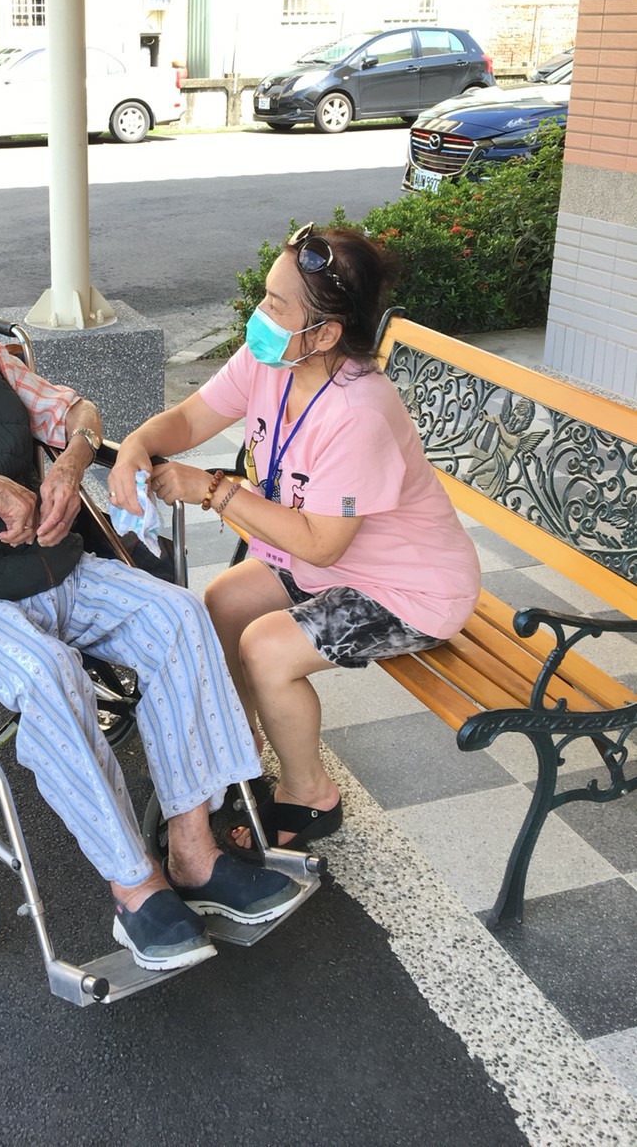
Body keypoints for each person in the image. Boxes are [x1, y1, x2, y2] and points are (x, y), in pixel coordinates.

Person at [0, 224, 305, 972]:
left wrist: (70, 465)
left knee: (179, 617)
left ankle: (196, 856)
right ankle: (137, 891)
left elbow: (80, 412)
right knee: (49, 676)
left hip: (57, 565)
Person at [109, 224, 481, 851]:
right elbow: (192, 417)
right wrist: (137, 448)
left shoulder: (358, 411)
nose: (261, 315)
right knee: (221, 605)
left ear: (327, 334)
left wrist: (217, 490)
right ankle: (241, 755)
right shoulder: (270, 360)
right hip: (326, 559)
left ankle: (310, 794)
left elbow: (321, 546)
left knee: (268, 649)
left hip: (410, 586)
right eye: (265, 297)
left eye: (277, 307)